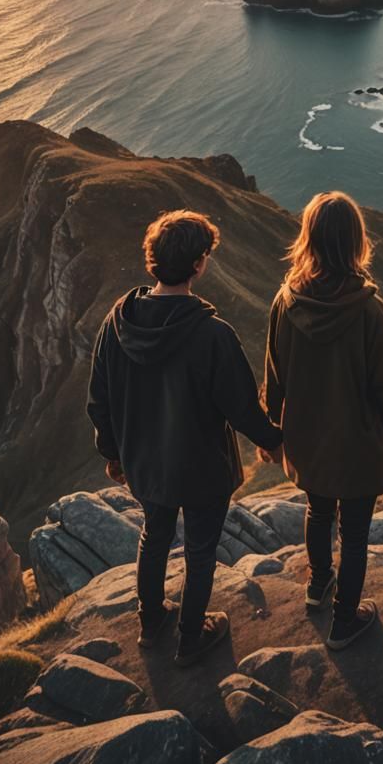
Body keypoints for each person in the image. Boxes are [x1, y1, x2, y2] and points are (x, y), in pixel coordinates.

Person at [87, 210, 282, 667]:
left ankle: (152, 620)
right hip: (202, 467)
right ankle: (192, 636)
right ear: (198, 265)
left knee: (153, 536)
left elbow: (99, 399)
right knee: (199, 549)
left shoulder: (117, 325)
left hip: (144, 463)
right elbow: (241, 408)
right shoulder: (213, 335)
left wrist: (113, 453)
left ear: (152, 260)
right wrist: (273, 440)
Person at [261, 192, 383, 650]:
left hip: (308, 440)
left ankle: (318, 585)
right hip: (357, 444)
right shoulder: (367, 310)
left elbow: (274, 374)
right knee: (355, 531)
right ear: (355, 243)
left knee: (318, 512)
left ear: (309, 240)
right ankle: (345, 619)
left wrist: (270, 429)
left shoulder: (286, 301)